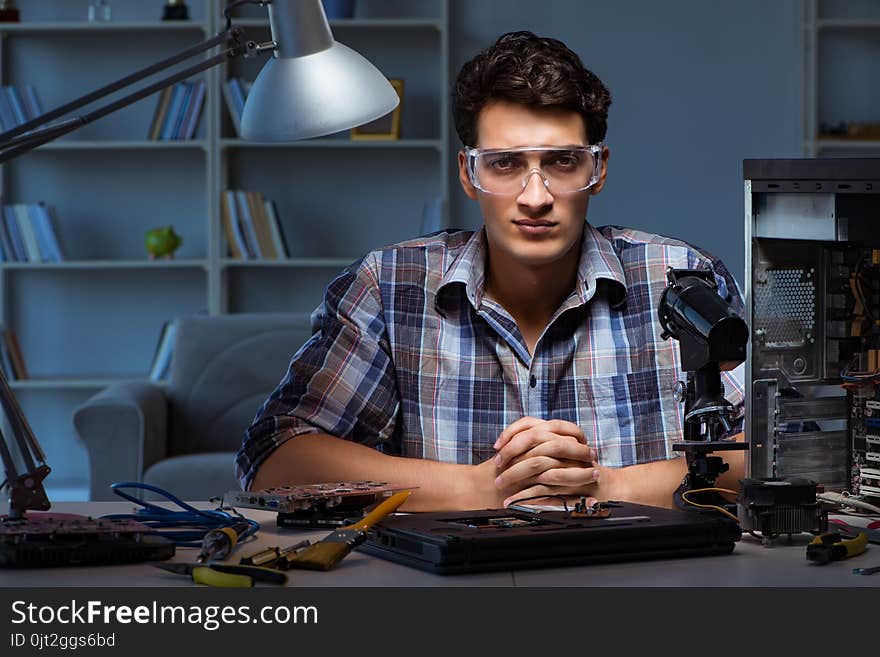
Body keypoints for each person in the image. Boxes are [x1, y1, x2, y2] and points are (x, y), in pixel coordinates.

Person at [235, 31, 745, 511]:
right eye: (505, 164)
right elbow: (274, 460)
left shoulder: (681, 277)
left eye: (563, 162)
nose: (536, 197)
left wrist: (607, 485)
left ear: (599, 169)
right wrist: (483, 486)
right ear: (468, 174)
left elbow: (783, 448)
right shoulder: (389, 286)